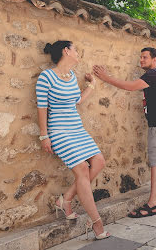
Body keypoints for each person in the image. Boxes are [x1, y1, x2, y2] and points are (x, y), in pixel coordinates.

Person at [93, 47, 156, 218]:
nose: (141, 60)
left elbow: (130, 86)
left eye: (144, 57)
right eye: (140, 57)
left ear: (154, 59)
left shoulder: (153, 74)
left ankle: (152, 204)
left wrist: (106, 77)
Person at [36, 41, 110, 240]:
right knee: (83, 171)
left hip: (77, 129)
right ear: (66, 51)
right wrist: (44, 135)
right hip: (59, 131)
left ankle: (66, 199)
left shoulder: (71, 77)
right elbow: (42, 107)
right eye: (75, 49)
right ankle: (96, 223)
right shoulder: (46, 76)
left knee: (99, 161)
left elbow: (76, 100)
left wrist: (91, 85)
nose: (78, 53)